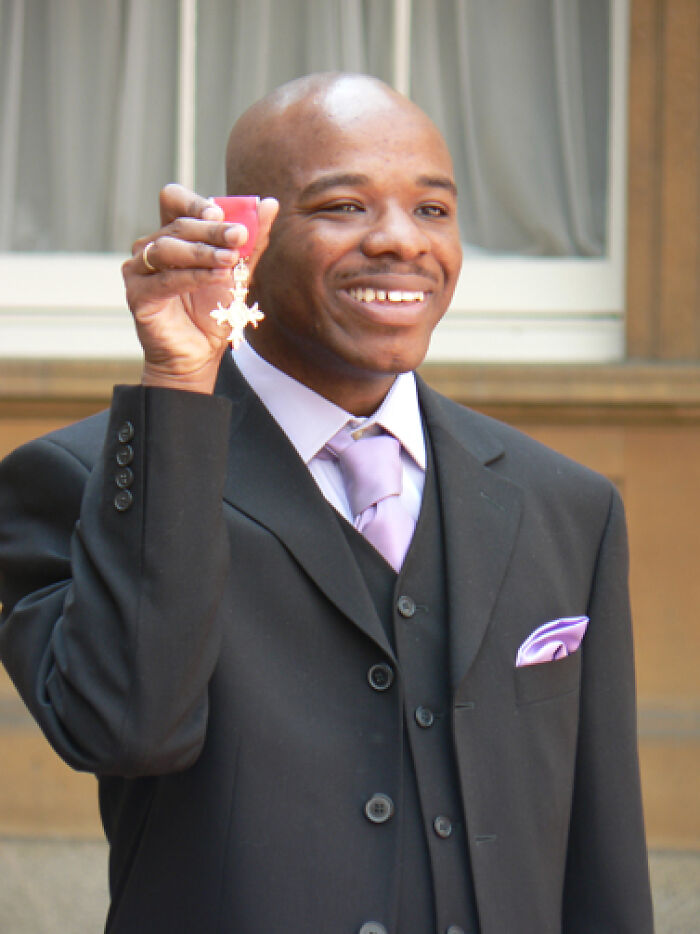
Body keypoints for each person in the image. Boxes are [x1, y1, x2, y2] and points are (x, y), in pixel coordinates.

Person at [0, 73, 653, 934]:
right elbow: (127, 731)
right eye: (344, 206)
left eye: (431, 209)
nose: (401, 241)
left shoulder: (568, 506)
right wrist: (178, 383)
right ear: (243, 236)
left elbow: (603, 860)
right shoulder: (82, 481)